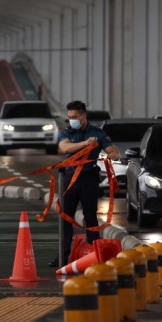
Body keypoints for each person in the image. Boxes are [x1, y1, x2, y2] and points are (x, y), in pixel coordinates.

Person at [49, 100, 120, 268]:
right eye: (69, 117)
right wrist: (85, 144)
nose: (72, 120)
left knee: (90, 217)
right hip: (70, 179)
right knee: (65, 217)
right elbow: (65, 148)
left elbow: (111, 150)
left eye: (75, 116)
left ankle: (95, 254)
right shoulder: (66, 132)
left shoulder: (98, 133)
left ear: (83, 115)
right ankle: (62, 255)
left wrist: (114, 154)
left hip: (88, 179)